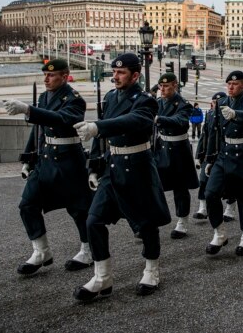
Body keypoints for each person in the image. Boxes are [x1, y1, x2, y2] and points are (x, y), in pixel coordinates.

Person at [72, 53, 171, 301]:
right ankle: (102, 277)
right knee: (93, 221)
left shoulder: (145, 100)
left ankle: (151, 270)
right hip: (113, 167)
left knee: (146, 223)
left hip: (137, 167)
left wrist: (99, 126)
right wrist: (94, 167)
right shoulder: (110, 97)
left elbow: (135, 120)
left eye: (121, 73)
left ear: (135, 75)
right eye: (114, 72)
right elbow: (100, 137)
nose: (114, 77)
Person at [3, 59, 94, 275]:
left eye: (51, 75)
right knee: (27, 204)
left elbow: (62, 119)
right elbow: (38, 131)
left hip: (69, 161)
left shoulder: (74, 100)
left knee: (79, 210)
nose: (46, 79)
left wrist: (28, 109)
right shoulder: (44, 97)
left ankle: (87, 250)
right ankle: (41, 251)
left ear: (65, 76)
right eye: (44, 75)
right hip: (45, 159)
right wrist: (28, 159)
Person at [204, 70, 243, 256]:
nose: (230, 87)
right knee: (210, 193)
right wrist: (210, 158)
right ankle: (220, 233)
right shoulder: (222, 103)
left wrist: (235, 115)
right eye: (228, 84)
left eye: (235, 84)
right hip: (224, 154)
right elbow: (214, 132)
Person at [154, 74, 199, 239]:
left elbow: (179, 120)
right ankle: (153, 220)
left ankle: (182, 221)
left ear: (175, 85)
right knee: (154, 185)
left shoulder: (183, 104)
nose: (163, 89)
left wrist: (159, 119)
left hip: (179, 148)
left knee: (180, 187)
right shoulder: (158, 103)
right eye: (161, 86)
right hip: (162, 147)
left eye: (166, 86)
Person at [193, 92, 237, 221]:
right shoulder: (210, 114)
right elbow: (204, 136)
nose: (215, 106)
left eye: (217, 103)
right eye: (213, 103)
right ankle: (202, 208)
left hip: (226, 154)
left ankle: (230, 209)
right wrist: (198, 155)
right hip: (209, 153)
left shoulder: (229, 115)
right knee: (203, 181)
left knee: (229, 182)